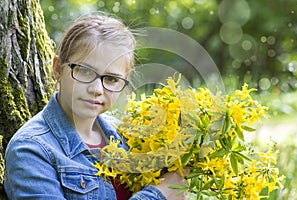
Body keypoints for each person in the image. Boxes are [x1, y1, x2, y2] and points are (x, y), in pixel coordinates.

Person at [4, 13, 187, 200]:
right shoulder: (31, 150)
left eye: (111, 79)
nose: (96, 89)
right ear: (58, 68)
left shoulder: (127, 136)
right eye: (84, 71)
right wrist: (158, 195)